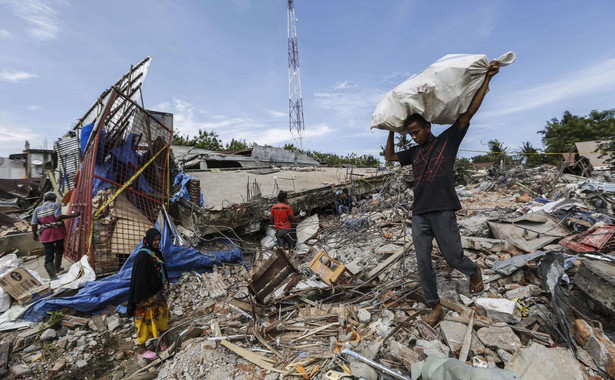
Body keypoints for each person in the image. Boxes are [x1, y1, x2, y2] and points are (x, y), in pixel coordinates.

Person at [384, 61, 500, 326]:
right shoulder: (413, 153)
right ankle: (434, 305)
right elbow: (390, 156)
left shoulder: (447, 141)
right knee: (423, 261)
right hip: (419, 213)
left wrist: (487, 79)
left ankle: (473, 271)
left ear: (428, 127)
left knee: (452, 256)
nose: (413, 137)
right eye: (410, 134)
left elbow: (469, 112)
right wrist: (391, 129)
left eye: (416, 132)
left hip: (443, 208)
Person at [126, 228, 170, 362]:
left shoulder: (155, 252)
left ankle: (163, 338)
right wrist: (146, 297)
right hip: (144, 296)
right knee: (143, 321)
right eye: (155, 240)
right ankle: (141, 349)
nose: (157, 242)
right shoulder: (142, 256)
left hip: (157, 294)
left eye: (158, 240)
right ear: (149, 239)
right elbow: (139, 280)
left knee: (162, 314)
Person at [31, 192, 80, 280]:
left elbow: (34, 224)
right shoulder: (55, 204)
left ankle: (53, 276)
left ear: (44, 200)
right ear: (54, 199)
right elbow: (58, 216)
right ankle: (57, 267)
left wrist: (34, 234)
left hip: (45, 234)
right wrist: (73, 215)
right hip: (58, 232)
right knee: (59, 249)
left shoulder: (37, 209)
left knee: (49, 254)